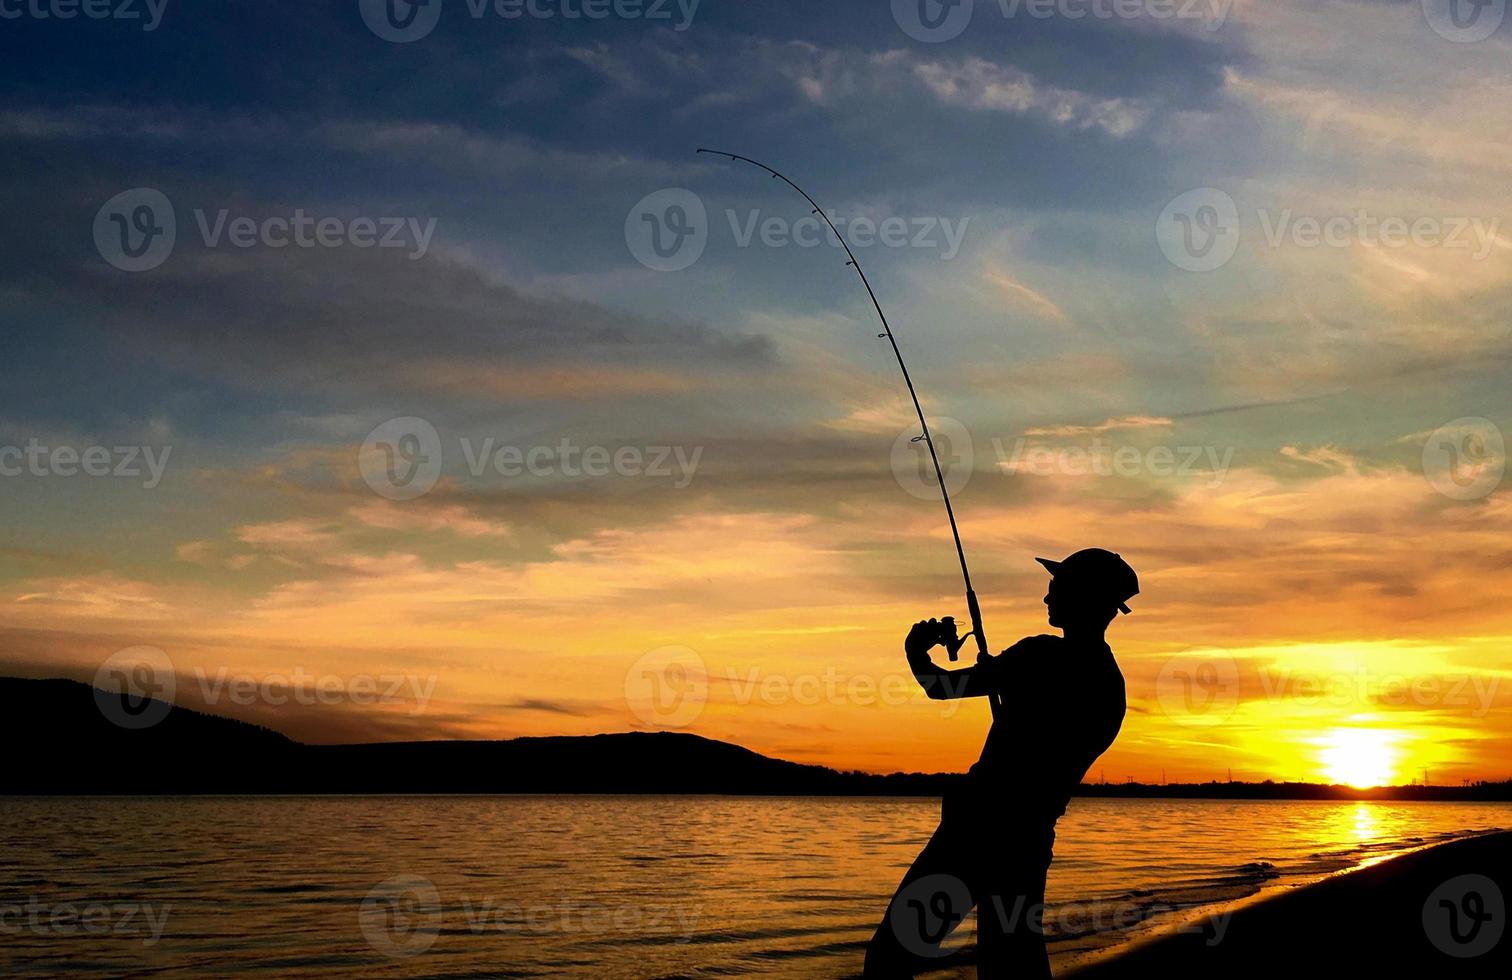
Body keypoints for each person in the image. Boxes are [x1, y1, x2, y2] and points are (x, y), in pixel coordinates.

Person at [863, 549, 1138, 979]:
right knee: (1012, 966)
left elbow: (941, 687)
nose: (1047, 600)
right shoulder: (1110, 685)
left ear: (1084, 598)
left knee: (890, 957)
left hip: (975, 836)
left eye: (1057, 589)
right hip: (1028, 842)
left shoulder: (1040, 656)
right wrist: (1004, 677)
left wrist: (915, 649)